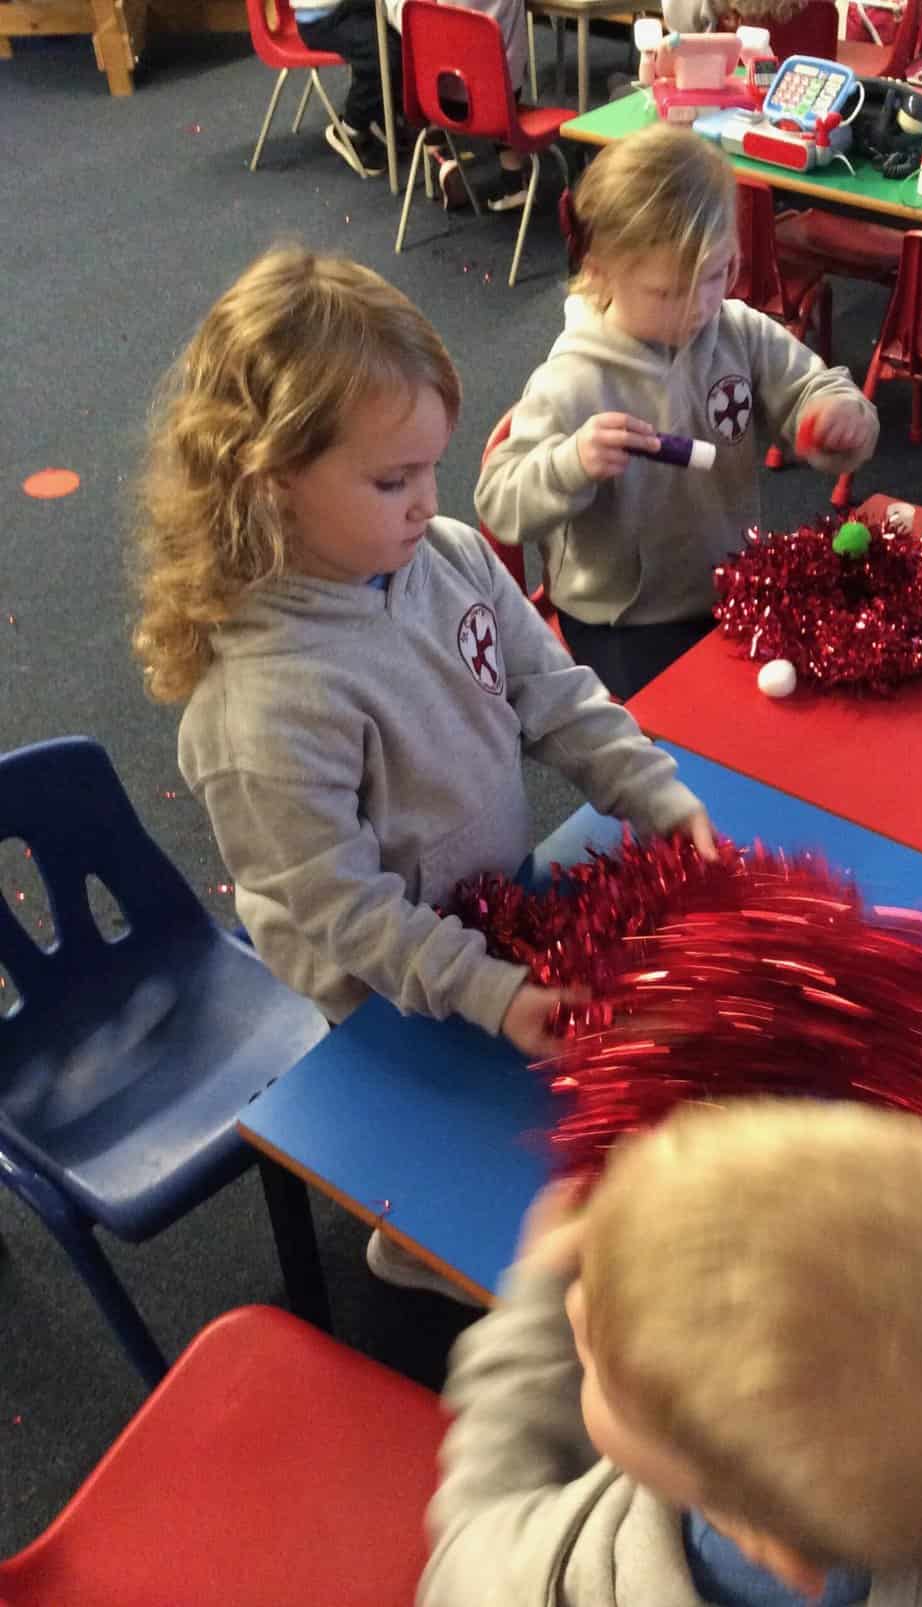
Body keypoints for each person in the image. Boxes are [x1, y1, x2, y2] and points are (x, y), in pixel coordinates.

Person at [130, 245, 714, 1292]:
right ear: (271, 484)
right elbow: (346, 914)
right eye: (391, 479)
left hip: (488, 901)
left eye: (430, 468)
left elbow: (553, 691)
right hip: (376, 979)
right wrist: (487, 990)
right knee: (453, 1147)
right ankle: (406, 1238)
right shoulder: (265, 705)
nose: (425, 500)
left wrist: (655, 794)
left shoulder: (442, 552)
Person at [419, 1098, 922, 1607]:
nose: (576, 1307)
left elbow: (464, 1553)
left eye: (602, 1368)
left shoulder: (569, 1576)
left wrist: (534, 1309)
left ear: (772, 1550)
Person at [474, 123, 879, 700]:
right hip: (623, 621)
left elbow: (813, 389)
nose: (700, 306)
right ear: (600, 272)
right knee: (701, 725)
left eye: (716, 275)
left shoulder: (738, 332)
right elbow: (498, 500)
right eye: (667, 292)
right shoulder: (573, 379)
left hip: (731, 584)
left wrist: (838, 415)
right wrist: (572, 464)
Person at [293, 0, 403, 178]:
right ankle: (351, 129)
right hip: (323, 18)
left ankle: (388, 113)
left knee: (405, 35)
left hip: (352, 9)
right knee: (383, 56)